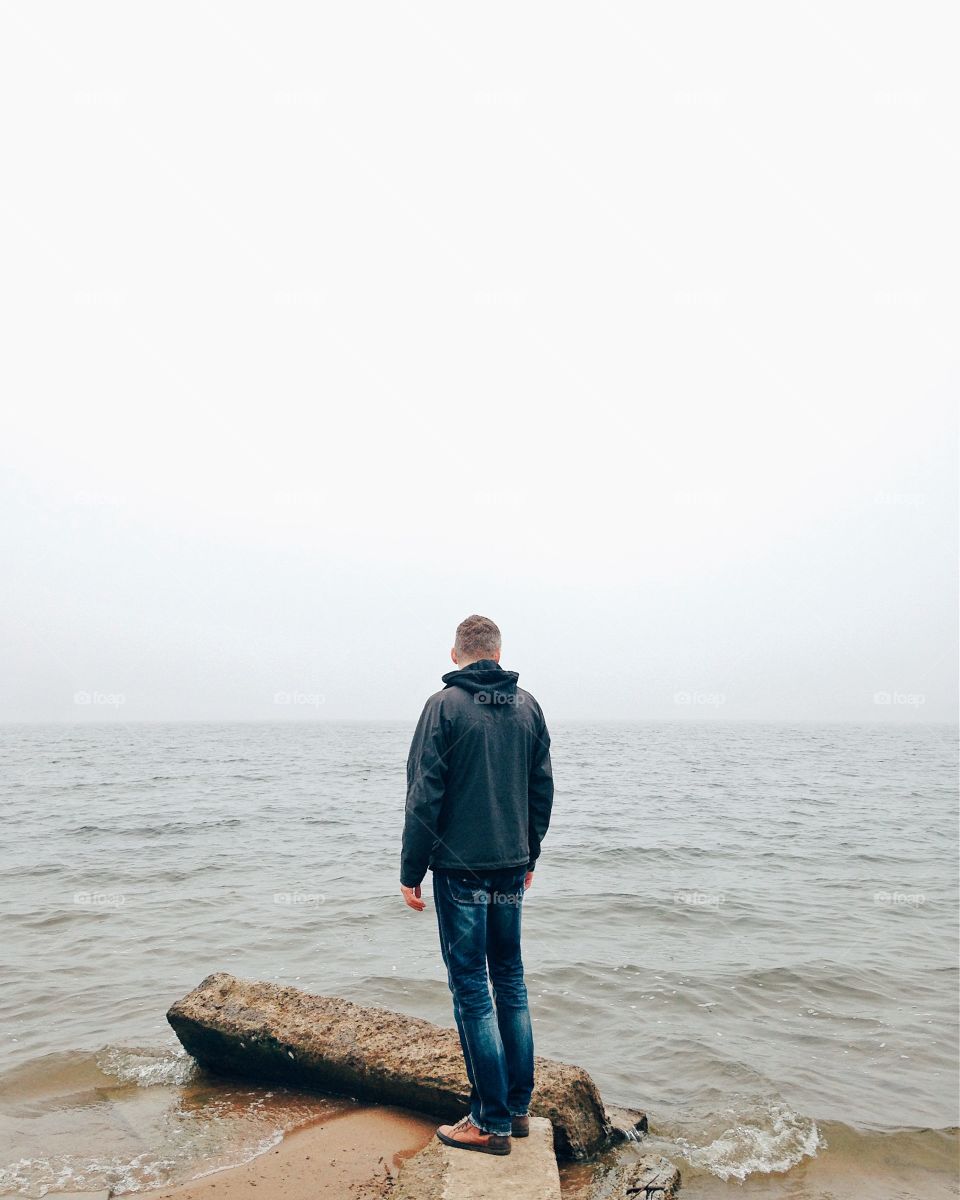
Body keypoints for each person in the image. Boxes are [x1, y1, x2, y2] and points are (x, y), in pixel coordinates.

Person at [400, 614, 554, 1156]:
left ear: (455, 653)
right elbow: (542, 788)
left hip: (462, 871)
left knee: (471, 989)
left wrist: (409, 871)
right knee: (509, 980)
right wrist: (529, 853)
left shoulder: (442, 708)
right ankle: (515, 1110)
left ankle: (488, 1123)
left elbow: (424, 795)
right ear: (497, 650)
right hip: (511, 865)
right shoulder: (528, 706)